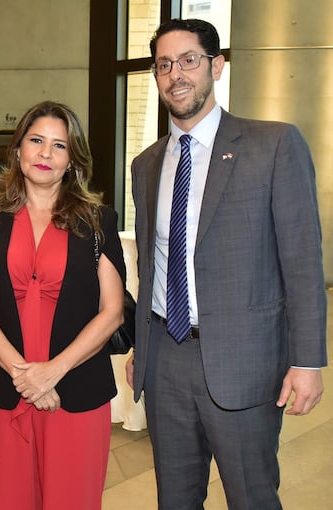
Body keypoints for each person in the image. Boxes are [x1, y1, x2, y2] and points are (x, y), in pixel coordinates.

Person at [126, 18, 326, 509]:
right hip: (166, 360)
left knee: (252, 496)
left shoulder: (274, 145)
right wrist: (143, 343)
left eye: (189, 60)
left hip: (245, 362)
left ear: (216, 65)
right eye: (164, 64)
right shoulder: (146, 164)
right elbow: (153, 266)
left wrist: (306, 361)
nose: (176, 74)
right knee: (174, 498)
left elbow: (302, 262)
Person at [0, 101, 125, 510]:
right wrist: (23, 375)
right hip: (7, 388)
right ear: (18, 151)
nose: (46, 154)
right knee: (7, 498)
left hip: (76, 390)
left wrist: (51, 373)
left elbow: (113, 311)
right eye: (36, 141)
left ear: (72, 160)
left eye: (59, 146)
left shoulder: (97, 221)